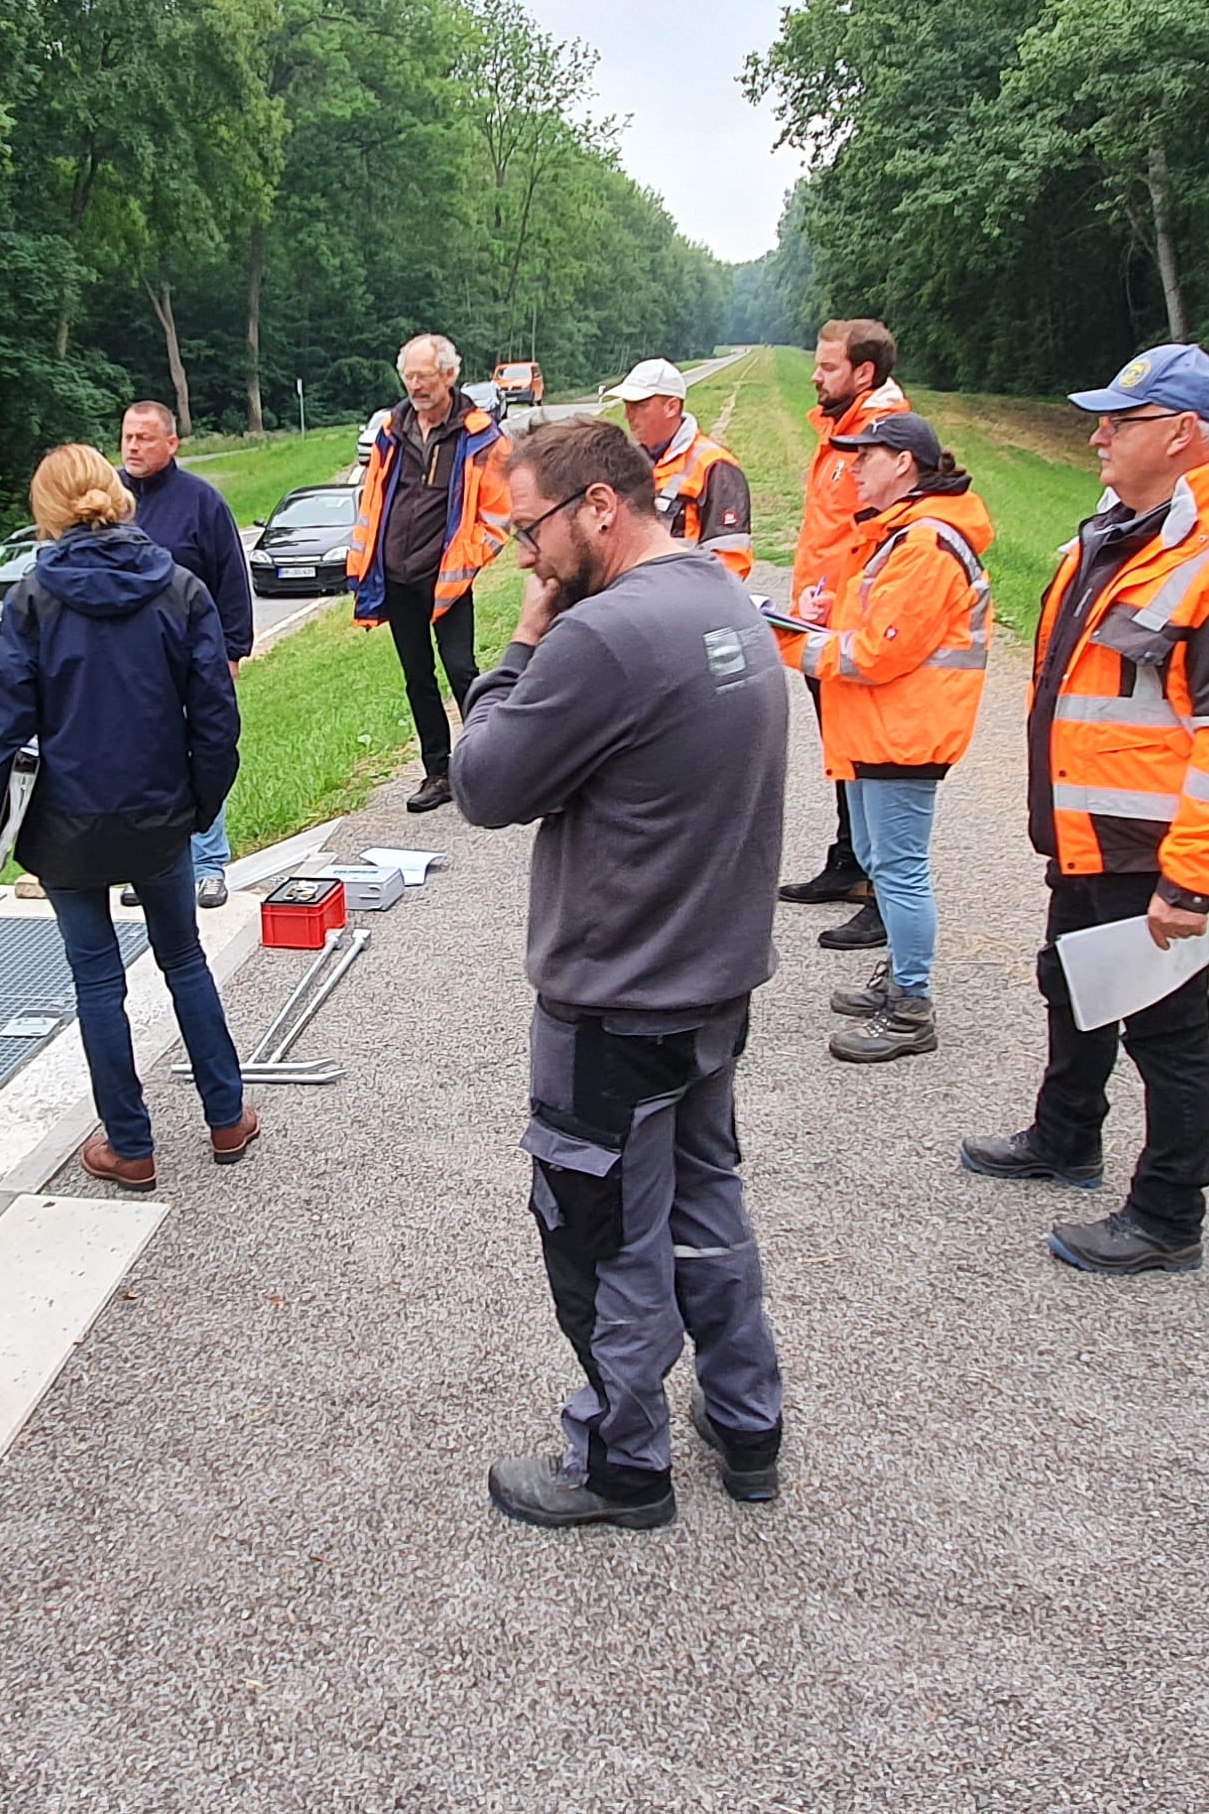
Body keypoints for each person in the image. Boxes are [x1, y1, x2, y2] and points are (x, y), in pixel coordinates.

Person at [447, 417, 791, 1532]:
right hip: (712, 983)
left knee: (599, 1230)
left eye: (529, 529)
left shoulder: (600, 638)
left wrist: (521, 644)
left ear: (600, 505)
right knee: (705, 1200)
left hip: (617, 1001)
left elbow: (483, 782)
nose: (524, 556)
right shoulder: (722, 597)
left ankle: (621, 1461)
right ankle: (746, 1419)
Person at [960, 345, 1209, 1275]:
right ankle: (1065, 1136)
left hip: (1160, 843)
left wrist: (1193, 882)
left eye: (1120, 423)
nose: (1098, 438)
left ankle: (1168, 1215)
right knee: (1071, 985)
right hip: (1093, 831)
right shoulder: (1122, 536)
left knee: (1168, 1032)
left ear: (1183, 434)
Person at [0, 444, 256, 1194]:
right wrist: (199, 807)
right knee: (183, 959)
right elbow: (216, 719)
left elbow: (3, 729)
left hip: (65, 825)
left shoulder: (30, 599)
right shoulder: (181, 588)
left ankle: (131, 1147)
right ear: (114, 494)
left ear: (47, 512)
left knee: (97, 981)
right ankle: (227, 1118)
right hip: (158, 815)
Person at [794, 411, 993, 1064]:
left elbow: (879, 652)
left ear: (904, 464)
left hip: (903, 733)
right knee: (880, 860)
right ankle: (902, 978)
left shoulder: (926, 544)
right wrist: (821, 624)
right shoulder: (900, 534)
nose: (853, 469)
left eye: (866, 457)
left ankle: (911, 1005)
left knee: (900, 870)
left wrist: (799, 644)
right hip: (881, 728)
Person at [775, 321, 912, 951]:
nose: (815, 376)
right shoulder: (843, 429)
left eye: (828, 367)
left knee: (870, 758)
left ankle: (885, 893)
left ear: (864, 373)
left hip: (851, 626)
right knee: (843, 751)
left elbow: (880, 538)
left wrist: (847, 613)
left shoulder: (881, 438)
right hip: (822, 620)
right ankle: (850, 860)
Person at [346, 333, 516, 815]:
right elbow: (373, 499)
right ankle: (438, 773)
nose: (416, 386)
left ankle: (486, 767)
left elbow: (499, 514)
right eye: (409, 377)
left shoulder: (480, 434)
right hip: (396, 578)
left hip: (448, 580)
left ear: (449, 375)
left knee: (462, 670)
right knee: (417, 677)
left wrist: (468, 559)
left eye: (424, 376)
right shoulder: (391, 429)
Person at [119, 399, 259, 907]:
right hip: (126, 664)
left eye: (144, 437)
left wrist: (232, 650)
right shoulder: (109, 500)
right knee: (138, 764)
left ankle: (207, 864)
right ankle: (148, 866)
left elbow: (231, 579)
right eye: (127, 437)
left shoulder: (202, 502)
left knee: (200, 755)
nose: (133, 447)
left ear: (172, 443)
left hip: (193, 657)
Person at [605, 356, 755, 581]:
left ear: (672, 407)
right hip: (635, 593)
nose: (628, 415)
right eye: (626, 405)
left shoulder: (715, 467)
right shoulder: (625, 463)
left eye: (639, 406)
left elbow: (730, 563)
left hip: (684, 597)